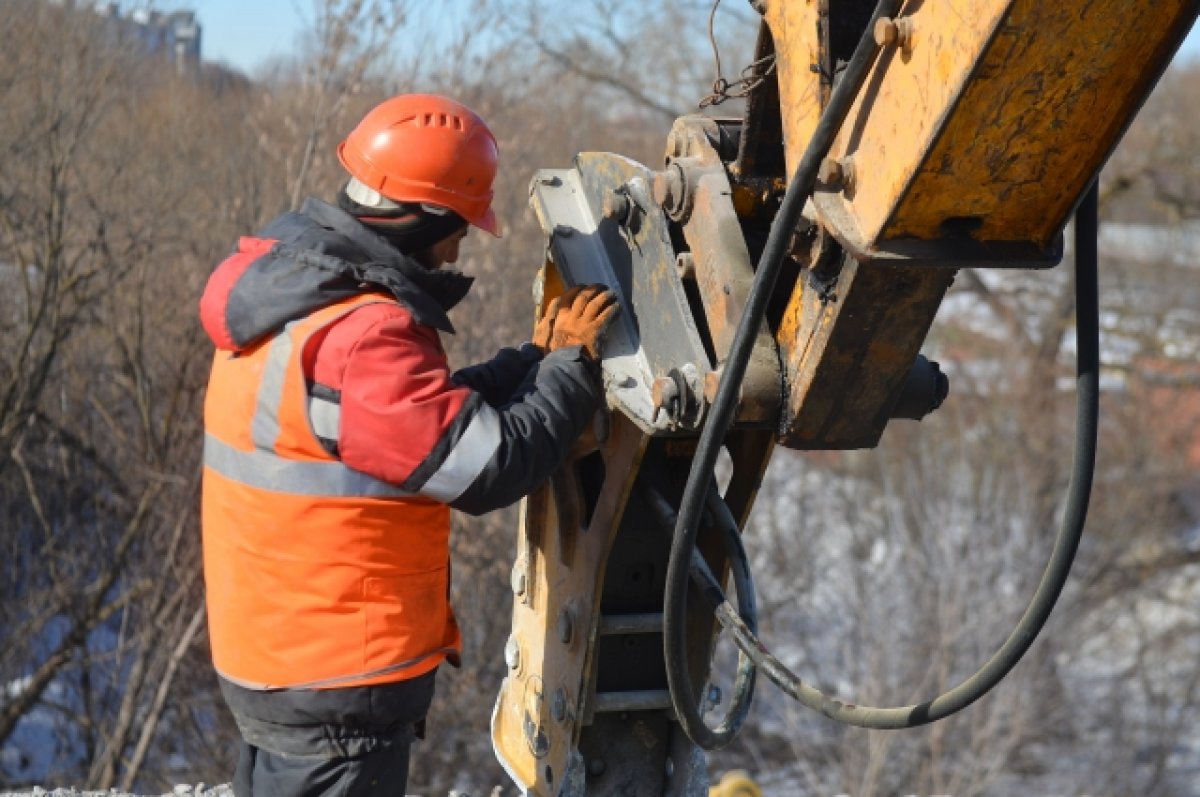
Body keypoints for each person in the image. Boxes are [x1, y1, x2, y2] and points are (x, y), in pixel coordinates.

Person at [197, 93, 618, 797]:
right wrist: (572, 368)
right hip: (335, 679)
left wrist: (532, 360)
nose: (458, 247)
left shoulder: (299, 304)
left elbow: (412, 426)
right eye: (457, 227)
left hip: (275, 655)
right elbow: (485, 465)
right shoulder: (364, 335)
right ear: (424, 217)